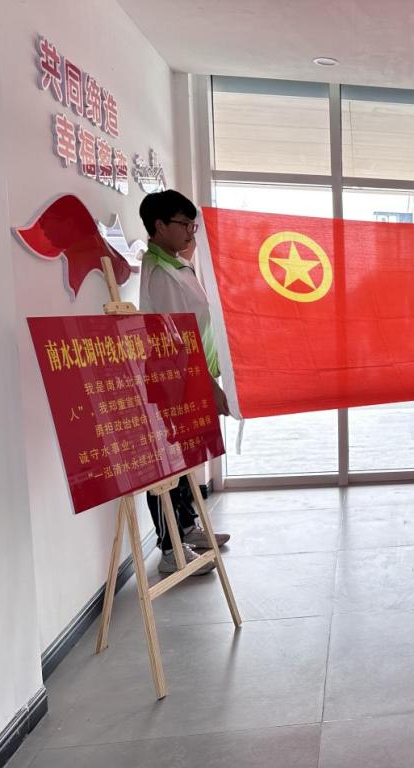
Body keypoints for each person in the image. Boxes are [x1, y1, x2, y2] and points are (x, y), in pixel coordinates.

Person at [138, 189, 231, 575]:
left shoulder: (177, 265)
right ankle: (169, 549)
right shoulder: (160, 273)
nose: (191, 231)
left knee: (185, 456)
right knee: (166, 464)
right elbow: (179, 340)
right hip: (172, 380)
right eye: (185, 224)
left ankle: (188, 529)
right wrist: (209, 384)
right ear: (160, 226)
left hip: (190, 376)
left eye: (193, 224)